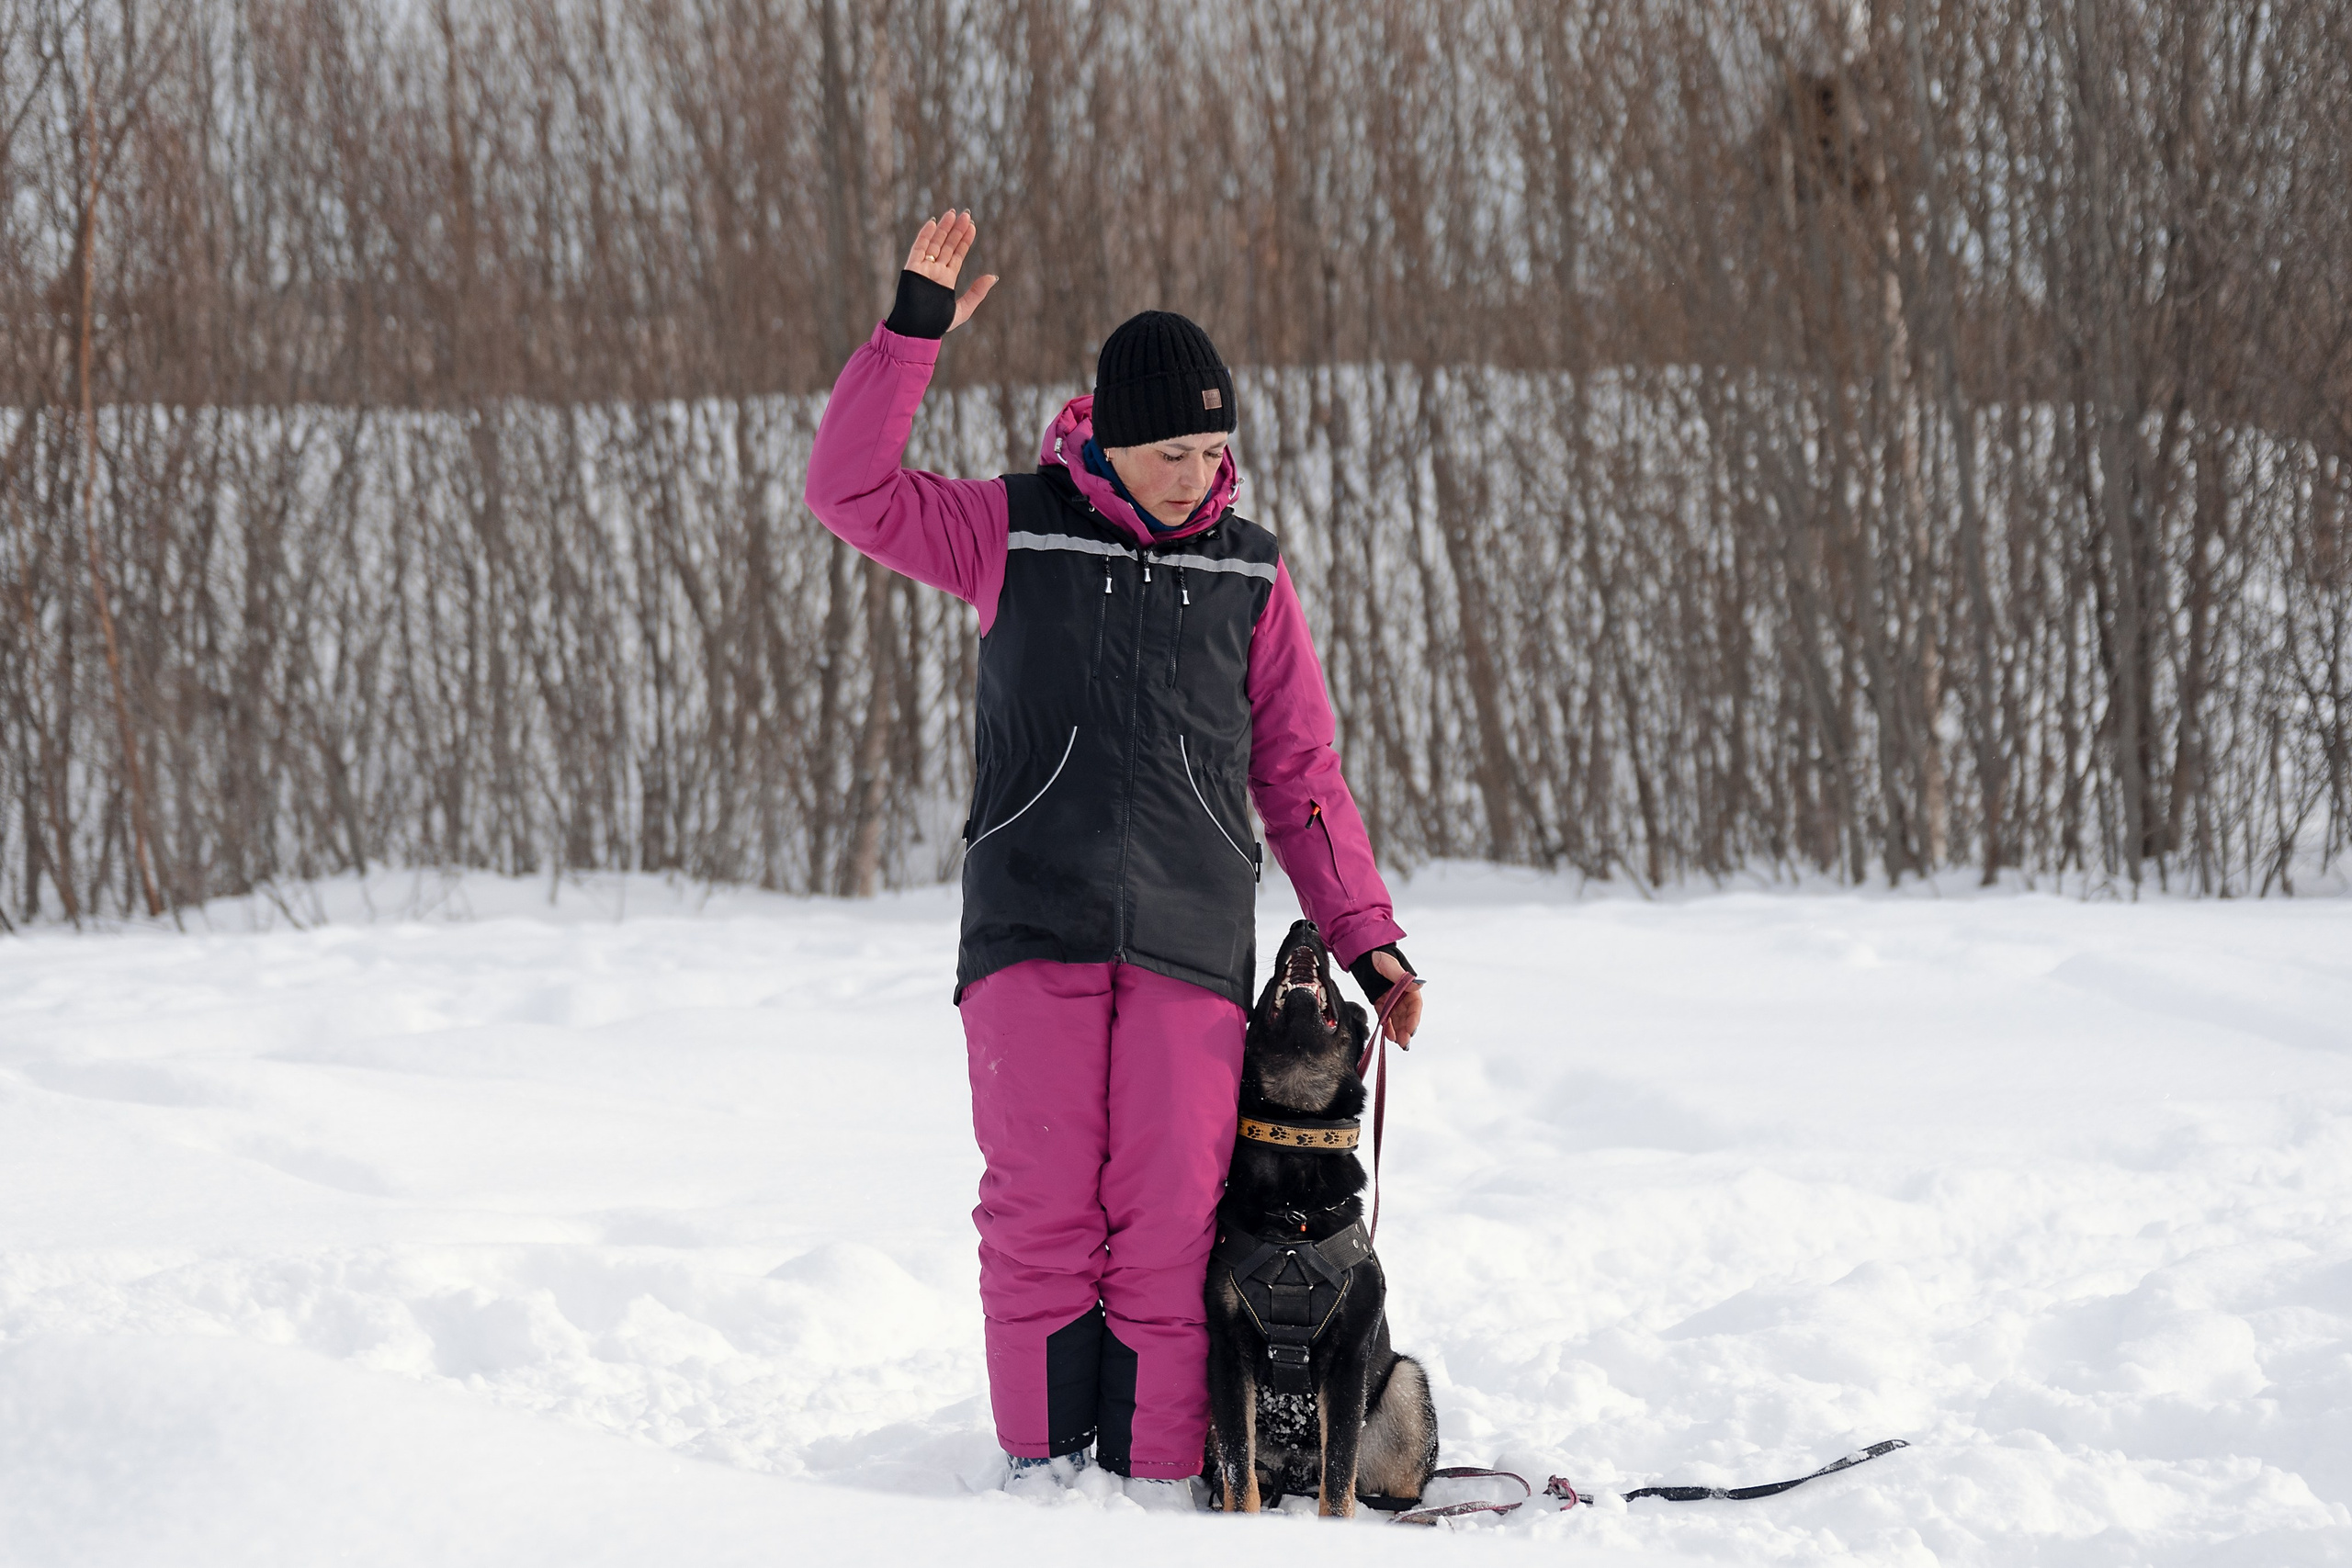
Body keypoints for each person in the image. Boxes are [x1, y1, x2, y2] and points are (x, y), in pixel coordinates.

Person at [804, 210, 1424, 1509]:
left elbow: (1300, 773)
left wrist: (1367, 939)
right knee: (1039, 1219)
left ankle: (1147, 1498)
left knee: (1165, 1233)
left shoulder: (1250, 576)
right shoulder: (1013, 531)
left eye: (1215, 450)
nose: (1198, 475)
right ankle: (1042, 1487)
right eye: (1172, 451)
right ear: (1108, 437)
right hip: (1033, 927)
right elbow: (849, 493)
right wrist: (911, 336)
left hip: (1192, 945)